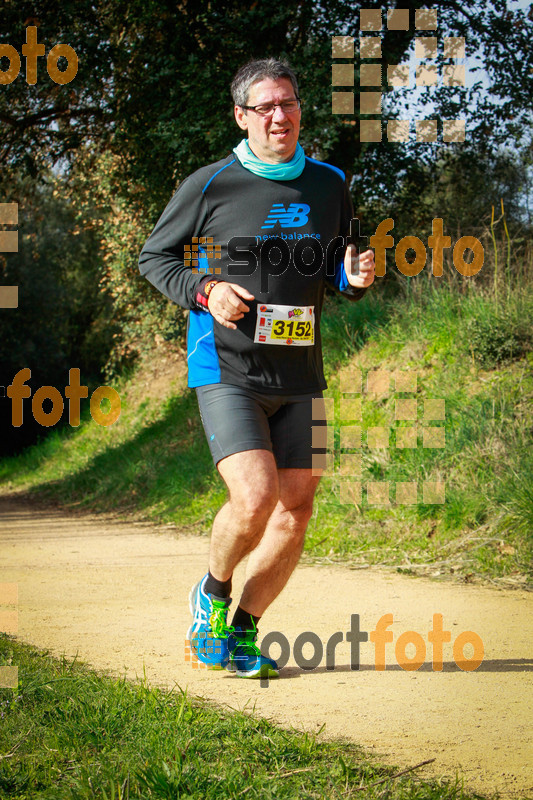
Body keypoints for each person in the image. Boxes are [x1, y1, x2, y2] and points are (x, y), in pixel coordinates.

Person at [138, 58, 375, 679]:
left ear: (300, 110)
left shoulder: (329, 183)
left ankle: (241, 630)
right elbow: (155, 258)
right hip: (226, 365)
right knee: (255, 496)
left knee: (298, 506)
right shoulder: (211, 183)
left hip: (303, 372)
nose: (280, 115)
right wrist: (207, 288)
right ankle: (210, 598)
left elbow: (339, 263)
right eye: (265, 106)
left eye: (289, 103)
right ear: (242, 117)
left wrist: (353, 278)